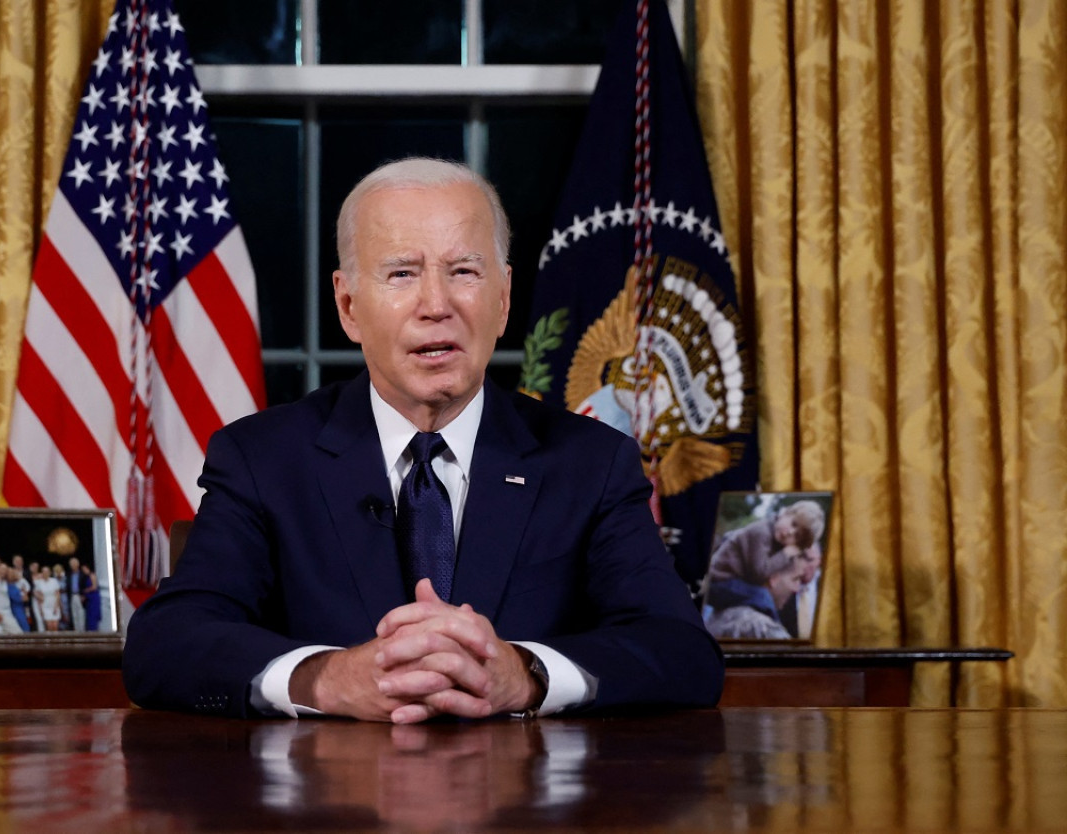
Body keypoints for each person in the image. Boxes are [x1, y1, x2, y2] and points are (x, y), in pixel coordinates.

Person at [123, 157, 723, 722]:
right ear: (349, 305)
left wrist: (525, 674)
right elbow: (166, 644)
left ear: (504, 297)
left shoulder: (591, 463)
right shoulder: (262, 460)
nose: (436, 305)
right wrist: (327, 679)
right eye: (402, 274)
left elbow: (680, 651)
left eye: (463, 271)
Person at [702, 500, 826, 638]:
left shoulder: (773, 537)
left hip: (727, 583)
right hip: (718, 582)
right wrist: (786, 553)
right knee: (761, 596)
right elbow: (759, 573)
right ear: (785, 513)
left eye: (797, 536)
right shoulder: (760, 532)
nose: (790, 532)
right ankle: (773, 627)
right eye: (793, 524)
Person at [704, 553, 805, 640]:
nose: (797, 588)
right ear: (774, 578)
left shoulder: (716, 616)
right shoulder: (762, 629)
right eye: (795, 579)